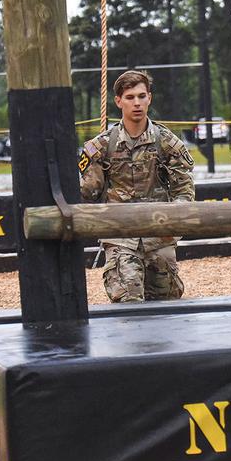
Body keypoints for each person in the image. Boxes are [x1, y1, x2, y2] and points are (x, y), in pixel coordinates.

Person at [78, 70, 195, 302]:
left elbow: (184, 191)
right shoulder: (102, 146)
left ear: (149, 98)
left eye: (142, 96)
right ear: (118, 101)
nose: (137, 103)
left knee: (167, 304)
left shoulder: (167, 143)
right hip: (121, 238)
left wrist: (173, 222)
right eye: (130, 97)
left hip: (159, 237)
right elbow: (88, 194)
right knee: (129, 301)